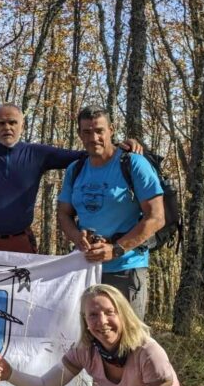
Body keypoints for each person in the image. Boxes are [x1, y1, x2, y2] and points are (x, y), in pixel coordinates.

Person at [0, 104, 141, 253]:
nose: (7, 128)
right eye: (1, 123)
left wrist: (118, 147)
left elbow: (83, 154)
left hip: (19, 242)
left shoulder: (37, 154)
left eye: (12, 122)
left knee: (20, 294)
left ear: (22, 125)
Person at [0, 284, 186, 386]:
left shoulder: (149, 353)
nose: (102, 322)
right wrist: (10, 374)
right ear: (85, 320)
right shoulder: (85, 350)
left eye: (110, 312)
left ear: (124, 315)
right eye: (93, 315)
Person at [57, 105, 164, 319]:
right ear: (79, 134)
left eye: (99, 130)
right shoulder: (75, 169)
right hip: (85, 269)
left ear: (111, 130)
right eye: (87, 132)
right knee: (87, 338)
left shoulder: (133, 163)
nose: (94, 137)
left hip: (126, 268)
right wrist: (77, 237)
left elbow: (157, 217)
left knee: (128, 340)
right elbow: (64, 214)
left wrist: (116, 250)